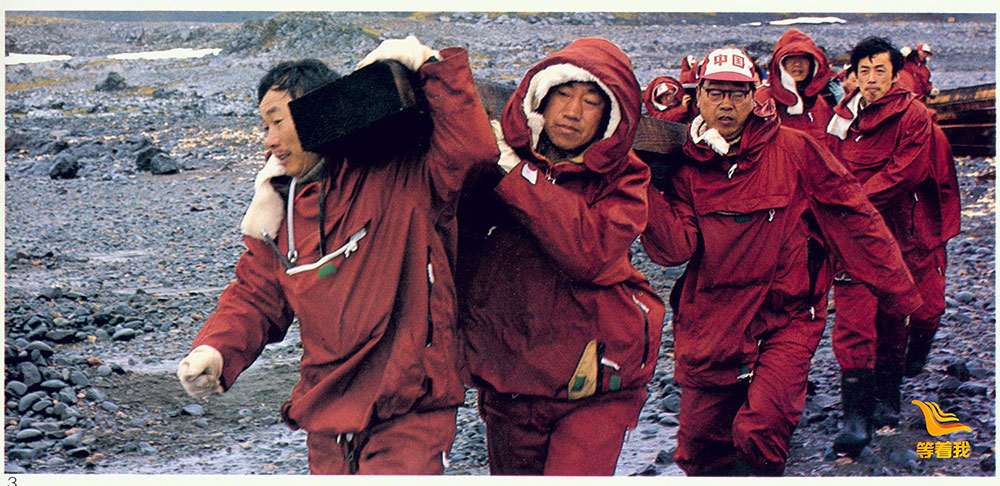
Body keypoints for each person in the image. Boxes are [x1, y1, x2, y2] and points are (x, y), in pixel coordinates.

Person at [175, 36, 499, 474]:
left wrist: (430, 64)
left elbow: (473, 152)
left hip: (409, 408)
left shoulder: (400, 175)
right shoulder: (281, 208)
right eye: (264, 126)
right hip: (327, 416)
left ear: (319, 112)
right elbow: (256, 294)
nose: (270, 140)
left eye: (278, 122)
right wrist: (216, 349)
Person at [641, 46, 921, 476]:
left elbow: (853, 214)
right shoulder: (685, 167)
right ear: (698, 97)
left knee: (762, 432)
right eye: (715, 93)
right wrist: (644, 187)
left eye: (737, 93)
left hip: (787, 314)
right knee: (699, 449)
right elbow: (674, 250)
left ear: (755, 96)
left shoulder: (793, 149)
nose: (726, 104)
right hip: (714, 319)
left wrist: (898, 292)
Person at [456, 37, 666, 476]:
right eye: (564, 95)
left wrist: (517, 175)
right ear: (541, 100)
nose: (573, 112)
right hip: (511, 379)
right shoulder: (494, 160)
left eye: (592, 102)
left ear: (609, 116)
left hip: (596, 381)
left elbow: (590, 251)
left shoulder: (625, 177)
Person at [825, 36, 953, 455]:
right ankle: (855, 416)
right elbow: (827, 162)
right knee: (853, 319)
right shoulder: (842, 115)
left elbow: (904, 173)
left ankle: (887, 396)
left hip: (897, 230)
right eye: (864, 71)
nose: (872, 79)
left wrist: (850, 200)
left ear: (895, 73)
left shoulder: (913, 116)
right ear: (853, 75)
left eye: (880, 70)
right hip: (852, 233)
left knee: (894, 315)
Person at [755, 29, 843, 141]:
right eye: (791, 58)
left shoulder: (819, 103)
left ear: (812, 63)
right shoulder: (762, 100)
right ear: (780, 63)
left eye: (803, 57)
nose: (797, 63)